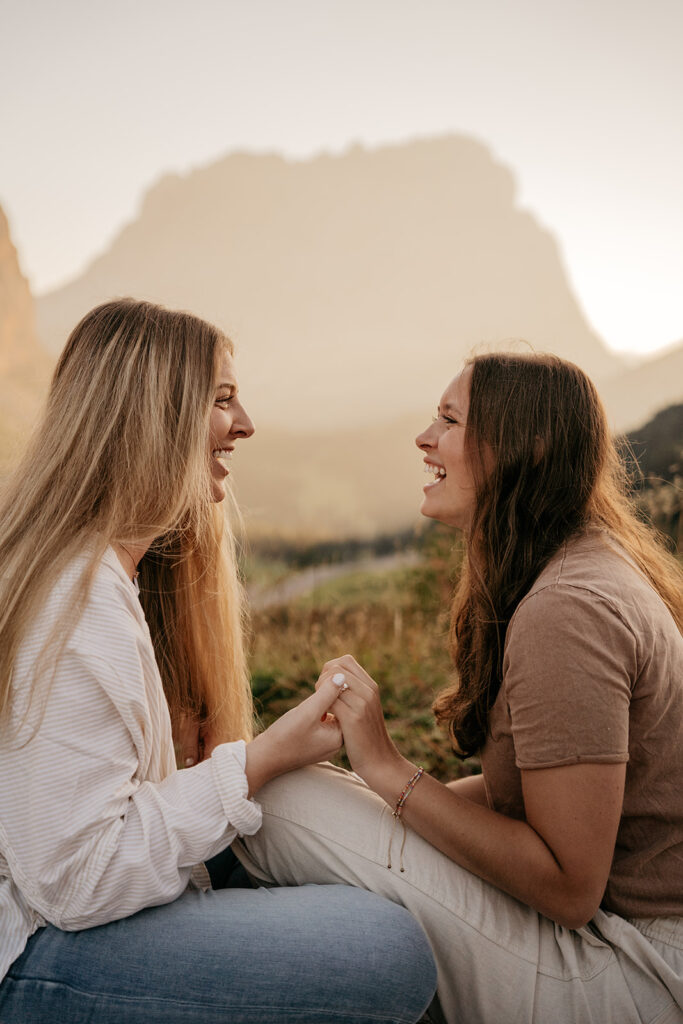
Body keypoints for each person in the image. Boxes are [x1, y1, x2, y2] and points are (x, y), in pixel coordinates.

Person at [0, 298, 437, 1024]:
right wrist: (258, 761)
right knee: (383, 951)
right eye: (222, 399)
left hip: (52, 919)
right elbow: (75, 883)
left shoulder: (100, 574)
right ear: (154, 415)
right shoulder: (75, 600)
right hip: (29, 952)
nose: (245, 423)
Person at [234, 351, 683, 1024]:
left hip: (638, 970)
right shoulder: (576, 566)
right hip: (628, 941)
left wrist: (388, 770)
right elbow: (523, 797)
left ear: (527, 448)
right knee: (317, 794)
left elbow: (569, 890)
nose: (425, 438)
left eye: (449, 420)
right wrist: (373, 794)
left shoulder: (568, 610)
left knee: (280, 802)